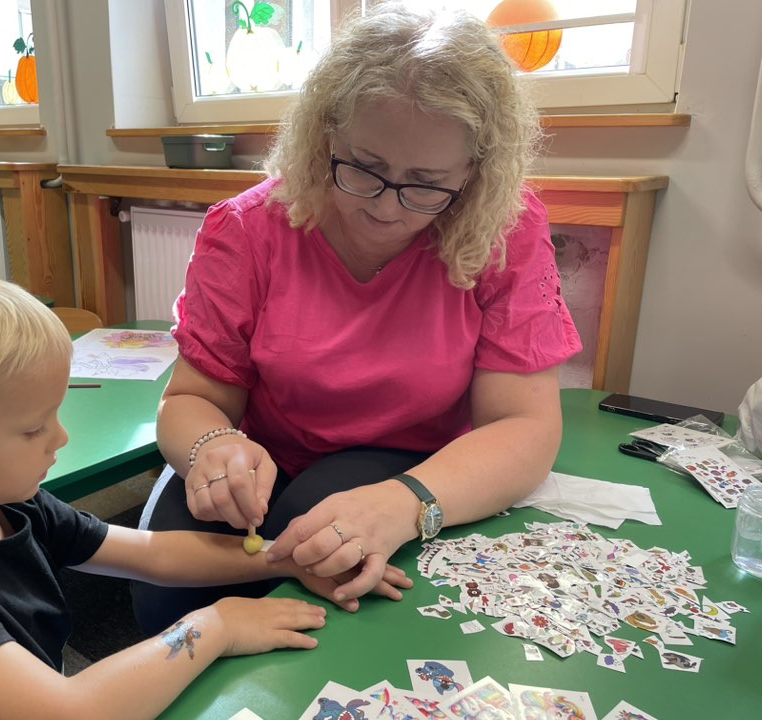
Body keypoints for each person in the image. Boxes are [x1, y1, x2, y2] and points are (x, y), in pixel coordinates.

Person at [132, 2, 582, 635]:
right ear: (326, 136)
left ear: (474, 174)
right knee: (165, 595)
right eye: (364, 169)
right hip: (265, 453)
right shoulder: (246, 229)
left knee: (320, 548)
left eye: (426, 184)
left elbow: (524, 427)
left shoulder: (505, 229)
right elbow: (190, 401)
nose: (387, 208)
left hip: (421, 462)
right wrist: (214, 447)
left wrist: (407, 502)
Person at [0, 261, 410, 720]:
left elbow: (151, 553)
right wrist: (217, 626)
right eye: (32, 428)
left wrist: (283, 558)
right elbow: (69, 712)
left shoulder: (3, 502)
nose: (61, 437)